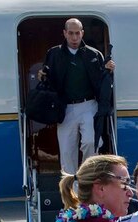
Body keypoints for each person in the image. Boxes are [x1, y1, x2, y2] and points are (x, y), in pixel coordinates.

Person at [40, 18, 115, 174]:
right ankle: (72, 192)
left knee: (90, 142)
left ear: (82, 33)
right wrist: (43, 76)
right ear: (65, 33)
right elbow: (48, 76)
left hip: (89, 104)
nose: (74, 38)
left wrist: (108, 70)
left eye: (77, 33)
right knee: (67, 151)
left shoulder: (94, 54)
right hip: (64, 107)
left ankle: (87, 180)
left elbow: (102, 82)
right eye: (71, 33)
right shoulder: (54, 54)